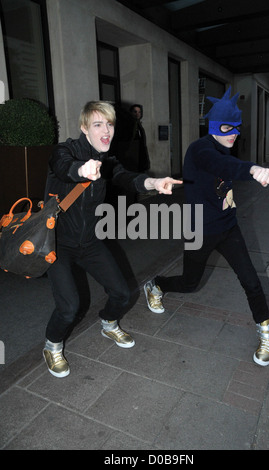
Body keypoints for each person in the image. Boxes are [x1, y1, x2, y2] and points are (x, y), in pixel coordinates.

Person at [43, 100, 181, 378]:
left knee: (123, 293)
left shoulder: (108, 160)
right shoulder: (65, 150)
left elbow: (125, 177)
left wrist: (153, 183)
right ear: (84, 128)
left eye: (109, 124)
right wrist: (81, 171)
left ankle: (108, 323)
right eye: (98, 124)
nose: (106, 130)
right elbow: (62, 167)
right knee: (69, 307)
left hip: (90, 242)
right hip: (57, 243)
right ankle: (52, 345)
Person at [144, 87, 269, 367]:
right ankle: (156, 285)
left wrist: (246, 168)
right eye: (227, 128)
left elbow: (227, 164)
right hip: (198, 229)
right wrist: (252, 169)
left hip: (228, 227)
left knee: (250, 279)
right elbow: (221, 165)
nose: (233, 134)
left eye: (237, 128)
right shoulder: (200, 149)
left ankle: (267, 331)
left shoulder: (225, 145)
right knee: (190, 284)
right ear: (214, 126)